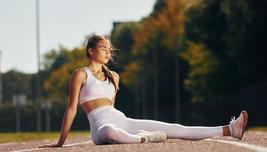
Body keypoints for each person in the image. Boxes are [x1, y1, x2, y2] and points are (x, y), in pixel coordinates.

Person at [40, 35, 248, 147]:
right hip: (101, 126)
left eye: (109, 49)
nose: (107, 52)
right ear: (91, 50)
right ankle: (144, 138)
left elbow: (111, 108)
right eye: (103, 48)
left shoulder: (114, 76)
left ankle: (230, 129)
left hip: (122, 120)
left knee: (175, 127)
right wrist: (60, 142)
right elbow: (71, 109)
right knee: (109, 132)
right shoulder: (80, 74)